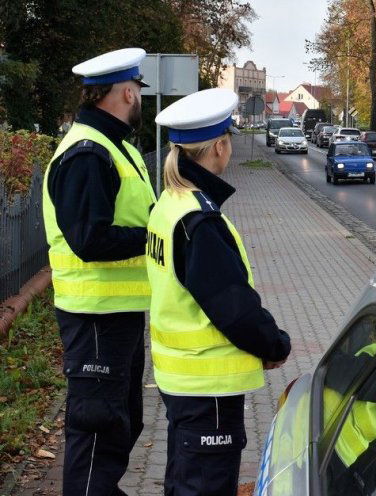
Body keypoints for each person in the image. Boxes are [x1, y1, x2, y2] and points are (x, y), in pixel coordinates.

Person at [147, 88, 292, 495]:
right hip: (207, 389)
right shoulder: (199, 221)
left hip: (181, 383)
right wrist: (275, 345)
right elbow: (234, 307)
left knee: (183, 482)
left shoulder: (169, 204)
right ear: (220, 147)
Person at [42, 47, 154, 495]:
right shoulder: (89, 153)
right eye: (139, 91)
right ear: (127, 93)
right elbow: (89, 240)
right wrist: (153, 237)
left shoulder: (113, 146)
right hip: (95, 317)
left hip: (116, 314)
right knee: (97, 430)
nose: (140, 99)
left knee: (121, 424)